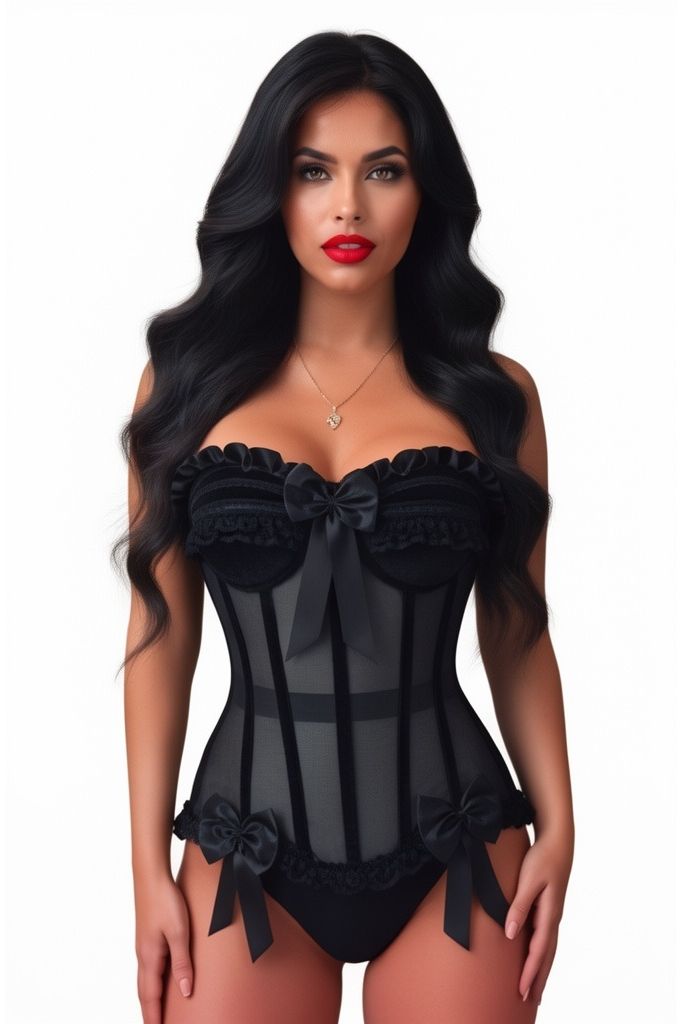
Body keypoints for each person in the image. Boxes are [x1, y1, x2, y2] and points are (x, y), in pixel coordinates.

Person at [115, 31, 574, 1024]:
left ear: (426, 191)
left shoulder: (496, 399)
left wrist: (563, 825)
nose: (348, 207)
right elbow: (160, 635)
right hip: (245, 852)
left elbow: (516, 629)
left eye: (384, 171)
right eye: (313, 170)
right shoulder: (184, 389)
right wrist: (145, 863)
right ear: (270, 189)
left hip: (460, 847)